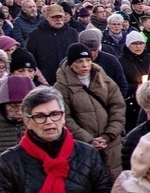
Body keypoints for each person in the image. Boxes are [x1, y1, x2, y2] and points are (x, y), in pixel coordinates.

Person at [53, 43, 127, 179]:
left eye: (87, 60)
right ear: (70, 64)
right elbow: (65, 117)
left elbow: (118, 107)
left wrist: (108, 135)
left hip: (111, 143)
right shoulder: (61, 87)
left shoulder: (104, 79)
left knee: (114, 180)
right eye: (79, 61)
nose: (85, 65)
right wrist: (88, 139)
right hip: (81, 145)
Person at [24, 4, 79, 85]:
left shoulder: (72, 33)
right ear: (47, 17)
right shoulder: (35, 35)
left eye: (61, 17)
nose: (58, 20)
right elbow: (30, 57)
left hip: (69, 79)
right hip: (44, 80)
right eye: (55, 17)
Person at [119, 31, 150, 128]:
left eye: (141, 43)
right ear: (128, 45)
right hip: (132, 104)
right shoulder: (120, 62)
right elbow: (119, 83)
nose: (138, 46)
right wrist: (135, 87)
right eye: (134, 43)